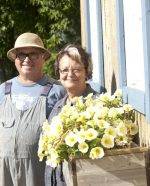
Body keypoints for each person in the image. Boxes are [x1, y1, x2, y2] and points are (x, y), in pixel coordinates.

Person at [0, 32, 66, 186]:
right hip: (4, 174)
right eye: (21, 54)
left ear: (43, 56)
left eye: (33, 54)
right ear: (15, 59)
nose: (27, 59)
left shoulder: (57, 91)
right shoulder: (3, 90)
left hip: (39, 174)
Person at [45, 44, 99, 186]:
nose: (70, 74)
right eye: (64, 70)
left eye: (76, 69)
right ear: (58, 73)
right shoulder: (58, 107)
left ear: (87, 72)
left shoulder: (98, 105)